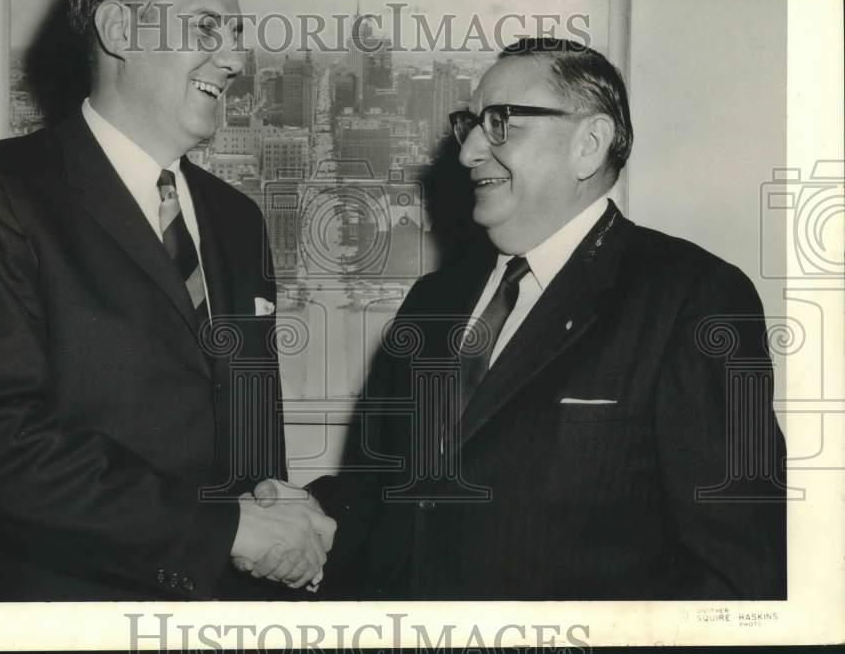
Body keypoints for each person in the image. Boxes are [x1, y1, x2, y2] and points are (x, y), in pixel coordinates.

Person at [0, 0, 333, 601]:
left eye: (236, 35)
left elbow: (251, 438)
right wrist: (224, 530)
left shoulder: (238, 221)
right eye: (206, 28)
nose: (237, 59)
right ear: (120, 30)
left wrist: (275, 531)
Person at [253, 38, 787, 599]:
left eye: (502, 122)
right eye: (472, 124)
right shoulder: (434, 300)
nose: (468, 153)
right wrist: (304, 513)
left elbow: (738, 570)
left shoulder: (690, 298)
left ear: (589, 144)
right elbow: (388, 492)